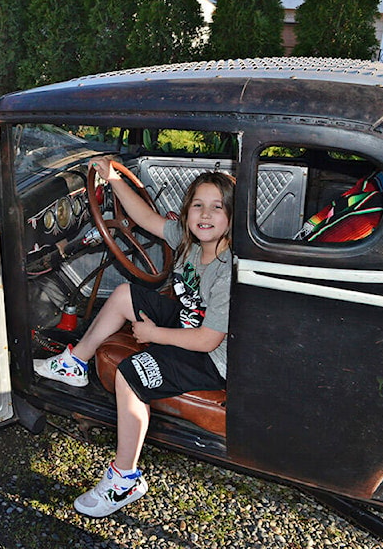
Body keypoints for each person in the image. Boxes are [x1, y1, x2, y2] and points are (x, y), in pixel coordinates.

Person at [34, 159, 234, 518]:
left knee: (130, 375)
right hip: (190, 323)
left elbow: (208, 341)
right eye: (198, 205)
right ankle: (76, 362)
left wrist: (155, 334)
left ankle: (124, 478)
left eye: (217, 207)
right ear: (187, 212)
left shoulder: (225, 273)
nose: (205, 214)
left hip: (212, 356)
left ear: (231, 217)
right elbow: (142, 217)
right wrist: (112, 180)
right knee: (126, 293)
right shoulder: (187, 239)